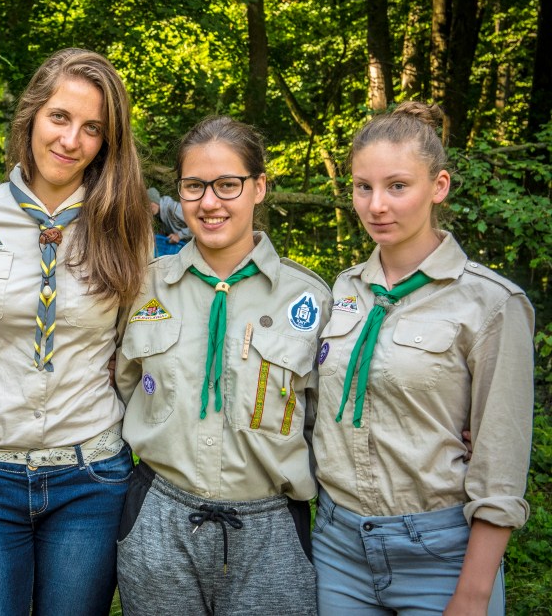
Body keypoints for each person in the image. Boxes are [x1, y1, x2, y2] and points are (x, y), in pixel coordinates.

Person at [0, 48, 151, 615]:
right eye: (59, 117)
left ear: (107, 142)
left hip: (90, 478)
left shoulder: (127, 225)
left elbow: (134, 346)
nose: (71, 140)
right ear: (31, 115)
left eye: (92, 128)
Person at [311, 102, 534, 615]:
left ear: (439, 186)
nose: (376, 205)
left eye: (397, 186)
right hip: (338, 547)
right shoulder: (344, 290)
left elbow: (501, 465)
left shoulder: (491, 303)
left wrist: (473, 594)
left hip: (441, 553)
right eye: (363, 187)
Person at [115, 116, 327, 615]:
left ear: (259, 187)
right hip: (160, 519)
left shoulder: (310, 300)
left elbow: (325, 422)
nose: (209, 202)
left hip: (272, 531)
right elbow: (121, 385)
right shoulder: (143, 287)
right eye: (194, 186)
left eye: (227, 185)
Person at [147, 185, 190, 256]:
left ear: (155, 202)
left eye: (148, 204)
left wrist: (179, 236)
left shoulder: (173, 208)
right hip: (182, 247)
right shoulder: (160, 214)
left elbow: (196, 225)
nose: (147, 208)